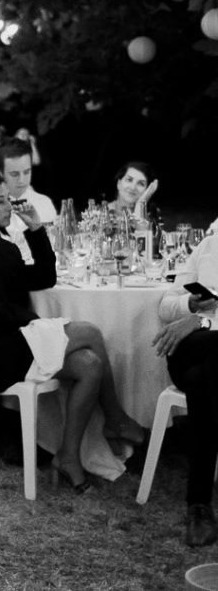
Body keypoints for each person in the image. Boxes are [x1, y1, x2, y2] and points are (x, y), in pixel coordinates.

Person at [0, 172, 145, 492]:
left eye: (8, 199)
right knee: (90, 332)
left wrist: (36, 230)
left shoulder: (3, 246)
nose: (9, 206)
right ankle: (116, 418)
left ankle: (68, 455)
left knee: (90, 365)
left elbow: (44, 277)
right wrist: (30, 322)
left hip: (13, 340)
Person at [154, 232, 218, 546]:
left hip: (206, 357)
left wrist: (202, 322)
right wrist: (190, 304)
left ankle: (199, 504)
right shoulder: (209, 245)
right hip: (190, 350)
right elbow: (166, 306)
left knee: (200, 379)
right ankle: (199, 507)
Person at [0, 138, 57, 262]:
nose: (22, 180)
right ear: (0, 173)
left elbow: (54, 248)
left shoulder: (44, 203)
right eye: (14, 174)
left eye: (27, 172)